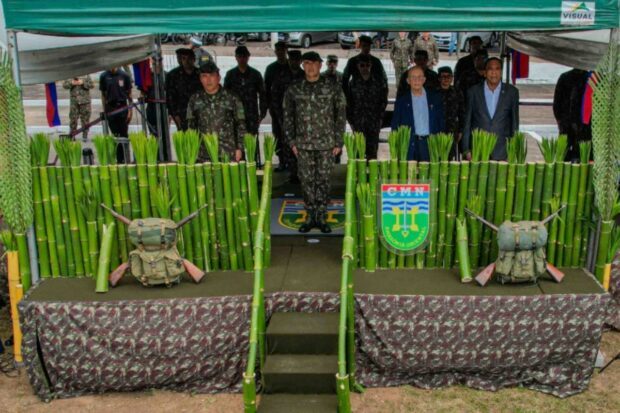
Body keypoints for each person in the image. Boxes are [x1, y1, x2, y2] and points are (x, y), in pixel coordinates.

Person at [283, 51, 346, 233]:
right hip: (303, 145)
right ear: (303, 65)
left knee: (324, 181)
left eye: (314, 63)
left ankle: (322, 216)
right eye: (307, 63)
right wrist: (292, 142)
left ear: (320, 65)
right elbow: (287, 116)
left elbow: (340, 115)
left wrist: (338, 142)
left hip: (326, 144)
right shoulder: (294, 88)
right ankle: (311, 216)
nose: (310, 67)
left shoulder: (332, 87)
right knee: (306, 181)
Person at [186, 61, 247, 162]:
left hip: (227, 153)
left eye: (212, 75)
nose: (208, 80)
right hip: (203, 154)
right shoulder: (195, 99)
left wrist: (240, 148)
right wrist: (192, 150)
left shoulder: (232, 98)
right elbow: (191, 127)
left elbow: (241, 125)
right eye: (204, 76)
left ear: (218, 78)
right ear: (200, 79)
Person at [462, 57, 519, 161]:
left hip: (502, 152)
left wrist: (513, 150)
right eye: (490, 69)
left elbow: (514, 124)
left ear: (501, 72)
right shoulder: (473, 92)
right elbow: (467, 123)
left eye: (497, 69)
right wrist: (466, 149)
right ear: (484, 72)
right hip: (478, 150)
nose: (494, 73)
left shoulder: (512, 92)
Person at [392, 66, 445, 161]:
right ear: (408, 80)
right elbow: (395, 126)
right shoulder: (402, 101)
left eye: (420, 77)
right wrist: (397, 149)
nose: (417, 80)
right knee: (411, 174)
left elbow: (441, 123)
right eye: (413, 77)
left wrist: (440, 146)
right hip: (410, 145)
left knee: (429, 174)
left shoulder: (435, 98)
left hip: (430, 143)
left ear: (424, 80)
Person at [271, 49, 305, 181]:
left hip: (303, 118)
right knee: (287, 145)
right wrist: (280, 116)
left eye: (296, 60)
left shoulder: (304, 75)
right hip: (285, 117)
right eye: (291, 59)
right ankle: (292, 172)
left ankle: (302, 172)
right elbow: (275, 97)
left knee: (302, 145)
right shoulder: (281, 76)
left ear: (300, 61)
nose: (294, 62)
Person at [346, 54, 388, 159]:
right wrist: (351, 122)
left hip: (373, 123)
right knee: (359, 153)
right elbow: (348, 104)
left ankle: (371, 175)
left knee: (372, 153)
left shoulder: (378, 82)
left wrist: (379, 118)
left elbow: (383, 101)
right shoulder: (353, 83)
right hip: (358, 123)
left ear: (371, 66)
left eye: (367, 65)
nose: (365, 68)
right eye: (362, 65)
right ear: (357, 66)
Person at [224, 46, 267, 139]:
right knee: (237, 145)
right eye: (240, 56)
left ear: (248, 57)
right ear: (236, 57)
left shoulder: (255, 74)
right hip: (235, 116)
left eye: (244, 56)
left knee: (253, 146)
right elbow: (225, 96)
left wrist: (262, 115)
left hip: (251, 115)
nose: (242, 59)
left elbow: (263, 95)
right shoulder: (230, 74)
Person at [553, 68, 592, 160]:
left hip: (566, 127)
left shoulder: (564, 77)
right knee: (584, 159)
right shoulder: (590, 79)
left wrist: (561, 122)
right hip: (584, 129)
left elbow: (556, 105)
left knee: (564, 159)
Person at [265, 41, 292, 170]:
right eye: (278, 50)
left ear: (286, 50)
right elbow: (266, 88)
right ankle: (282, 161)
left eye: (283, 49)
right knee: (278, 135)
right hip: (276, 109)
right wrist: (268, 107)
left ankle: (292, 163)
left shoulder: (291, 66)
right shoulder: (271, 68)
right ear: (275, 51)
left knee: (291, 135)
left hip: (292, 110)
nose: (280, 52)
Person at [99, 67, 132, 162]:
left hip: (122, 108)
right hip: (110, 109)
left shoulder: (124, 75)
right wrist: (104, 110)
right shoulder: (104, 76)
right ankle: (119, 159)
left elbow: (129, 94)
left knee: (124, 135)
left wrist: (130, 111)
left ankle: (126, 159)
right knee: (115, 135)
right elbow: (103, 94)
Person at [165, 48, 202, 132]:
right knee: (185, 139)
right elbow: (170, 97)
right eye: (184, 58)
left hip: (199, 113)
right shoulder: (173, 75)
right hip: (181, 114)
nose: (187, 61)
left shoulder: (201, 74)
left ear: (194, 59)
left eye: (189, 58)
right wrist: (174, 115)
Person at [437, 66, 464, 159]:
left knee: (450, 157)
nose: (446, 79)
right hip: (437, 130)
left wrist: (461, 130)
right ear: (439, 78)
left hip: (452, 131)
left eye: (449, 76)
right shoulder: (434, 93)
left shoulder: (457, 92)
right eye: (443, 76)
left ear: (452, 78)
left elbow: (462, 113)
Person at [63, 75, 94, 141]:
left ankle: (85, 136)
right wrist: (72, 83)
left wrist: (83, 82)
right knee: (73, 119)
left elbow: (92, 85)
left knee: (85, 120)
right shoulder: (70, 74)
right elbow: (65, 85)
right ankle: (73, 135)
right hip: (74, 103)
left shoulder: (86, 74)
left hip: (85, 102)